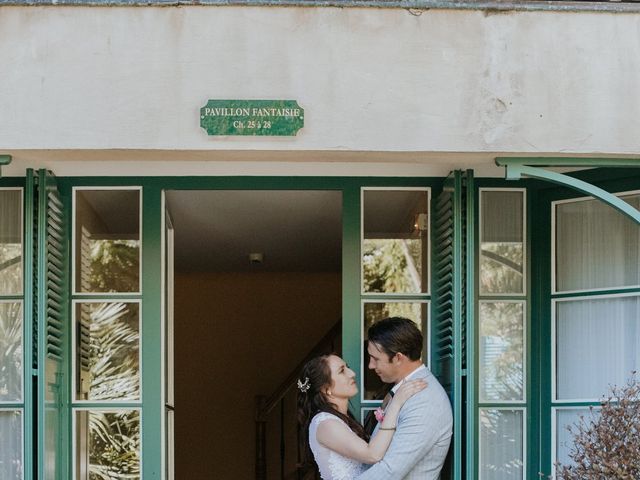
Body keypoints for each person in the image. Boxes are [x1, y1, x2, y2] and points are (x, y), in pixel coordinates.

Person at [298, 353, 427, 480]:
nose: (352, 373)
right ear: (326, 389)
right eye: (342, 371)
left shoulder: (341, 418)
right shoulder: (325, 423)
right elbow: (373, 455)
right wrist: (396, 403)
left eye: (347, 367)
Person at [357, 316, 453, 479]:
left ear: (398, 358)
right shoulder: (403, 388)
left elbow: (390, 470)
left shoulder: (425, 401)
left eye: (376, 359)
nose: (370, 365)